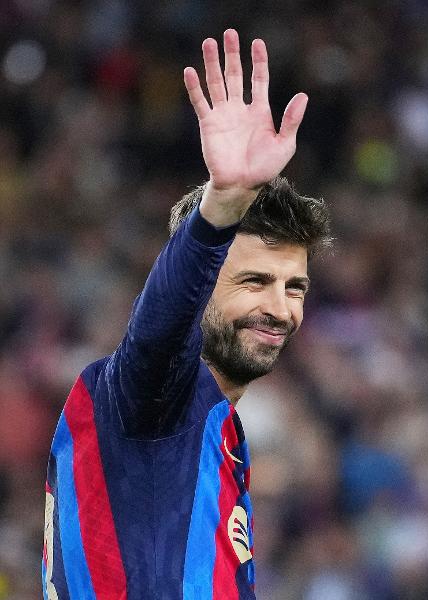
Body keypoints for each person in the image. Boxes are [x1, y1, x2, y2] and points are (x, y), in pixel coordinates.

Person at [42, 29, 331, 599]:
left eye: (294, 287)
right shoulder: (136, 400)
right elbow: (156, 335)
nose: (280, 308)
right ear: (199, 288)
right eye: (254, 281)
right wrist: (220, 210)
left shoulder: (213, 429)